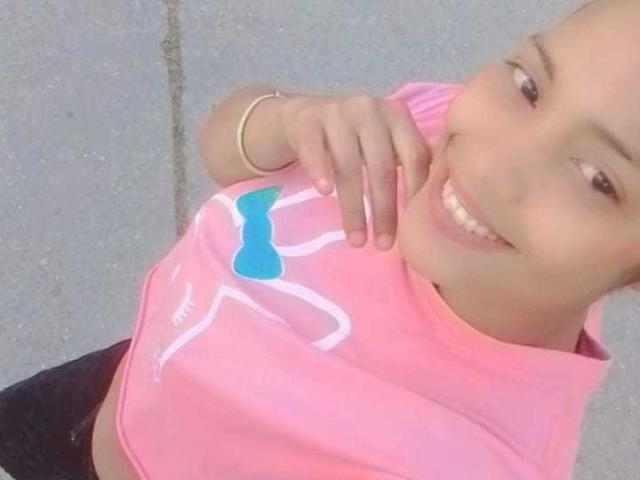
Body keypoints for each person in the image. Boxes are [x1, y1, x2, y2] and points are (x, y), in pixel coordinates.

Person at [1, 0, 638, 478]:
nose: (493, 161)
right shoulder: (415, 131)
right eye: (529, 84)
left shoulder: (473, 456)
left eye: (597, 178)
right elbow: (227, 149)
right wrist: (287, 118)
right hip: (114, 387)